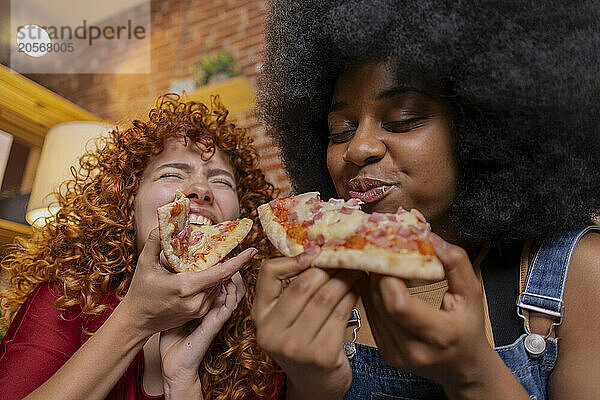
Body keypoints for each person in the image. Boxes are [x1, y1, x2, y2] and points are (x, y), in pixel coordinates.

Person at [253, 1, 600, 399]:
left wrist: (474, 375)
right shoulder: (319, 298)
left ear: (483, 126)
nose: (358, 148)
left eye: (402, 118)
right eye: (338, 130)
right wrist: (314, 388)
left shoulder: (582, 274)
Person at [0, 94, 282, 400]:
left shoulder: (263, 334)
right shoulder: (67, 298)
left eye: (221, 181)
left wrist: (182, 382)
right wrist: (136, 318)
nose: (201, 190)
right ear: (128, 206)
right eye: (172, 174)